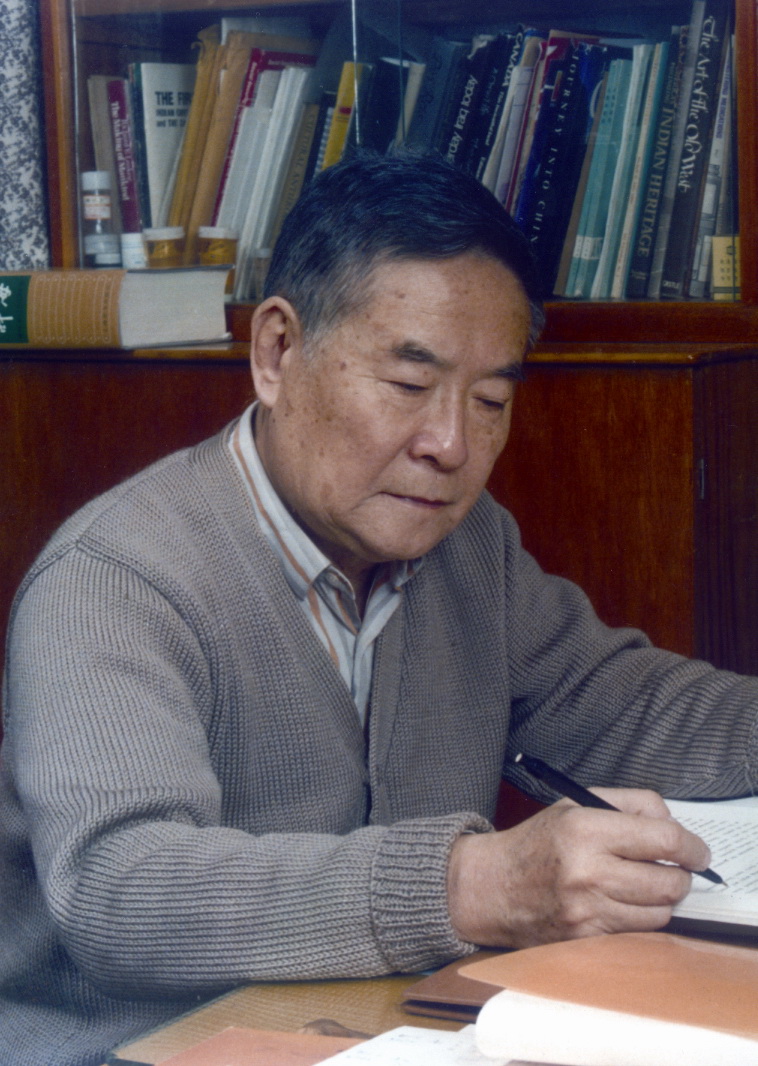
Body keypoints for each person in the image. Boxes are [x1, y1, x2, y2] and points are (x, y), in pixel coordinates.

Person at [0, 151, 756, 1066]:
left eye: (490, 399)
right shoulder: (116, 578)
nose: (451, 444)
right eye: (408, 386)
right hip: (135, 1050)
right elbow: (121, 890)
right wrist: (473, 884)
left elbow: (622, 706)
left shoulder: (467, 549)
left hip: (381, 1031)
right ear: (277, 352)